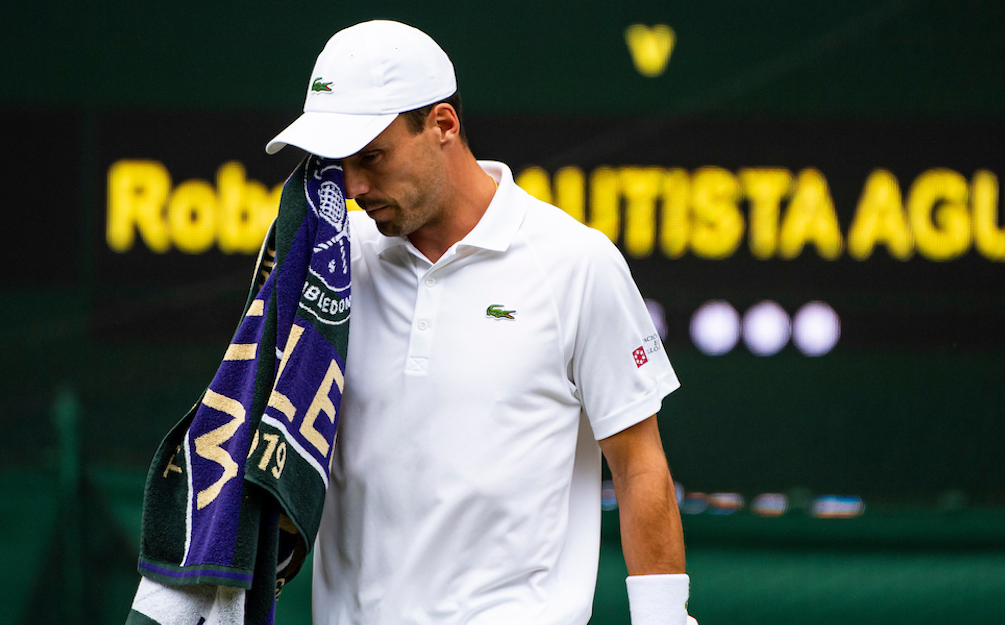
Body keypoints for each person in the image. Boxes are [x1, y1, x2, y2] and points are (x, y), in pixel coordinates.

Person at [265, 20, 692, 625]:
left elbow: (638, 463)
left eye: (373, 156)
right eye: (341, 164)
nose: (355, 185)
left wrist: (665, 620)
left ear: (443, 125)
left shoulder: (575, 263)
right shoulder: (327, 265)